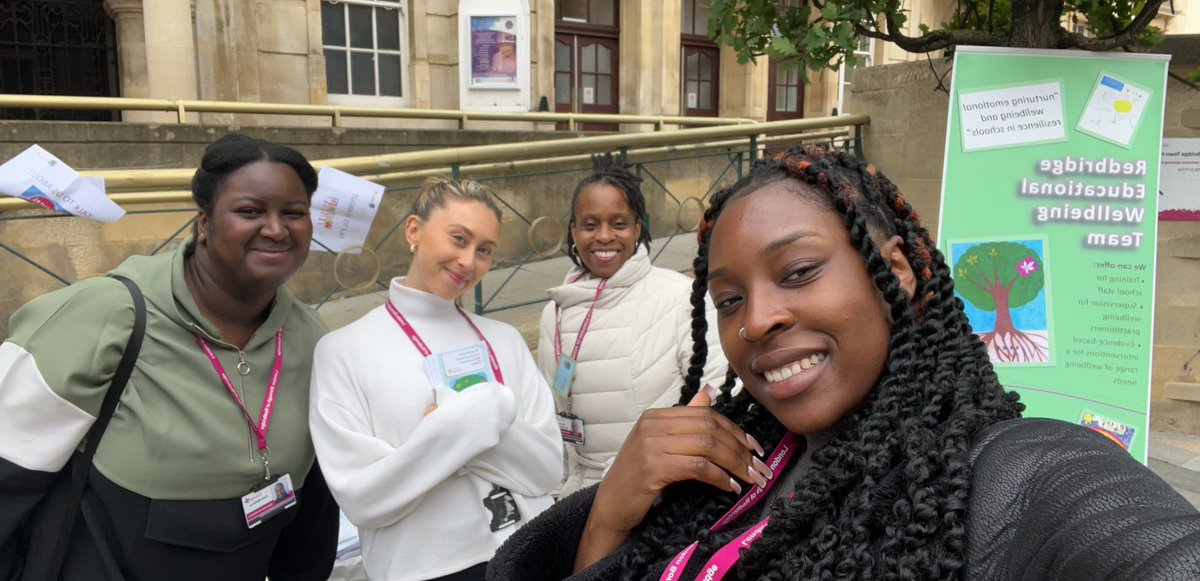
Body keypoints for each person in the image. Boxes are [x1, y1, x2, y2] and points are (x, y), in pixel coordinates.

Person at [489, 146, 1200, 580]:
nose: (757, 319)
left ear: (898, 273)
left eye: (798, 271)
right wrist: (610, 516)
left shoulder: (1023, 475)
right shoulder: (731, 466)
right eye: (729, 299)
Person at [0, 134, 338, 580]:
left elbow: (312, 516)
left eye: (293, 213)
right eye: (250, 211)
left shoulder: (312, 341)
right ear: (204, 223)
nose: (276, 229)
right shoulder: (104, 317)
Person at [309, 178, 561, 581]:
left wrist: (455, 427)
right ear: (414, 230)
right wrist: (483, 418)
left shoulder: (505, 340)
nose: (468, 261)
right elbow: (363, 498)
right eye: (458, 239)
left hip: (530, 552)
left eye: (484, 250)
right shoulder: (342, 351)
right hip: (423, 570)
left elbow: (547, 470)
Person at [537, 155, 728, 497]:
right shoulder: (554, 312)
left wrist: (659, 463)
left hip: (661, 493)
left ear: (638, 228)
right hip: (578, 495)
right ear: (573, 231)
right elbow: (553, 411)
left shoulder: (679, 297)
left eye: (619, 224)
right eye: (590, 225)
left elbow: (719, 383)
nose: (604, 236)